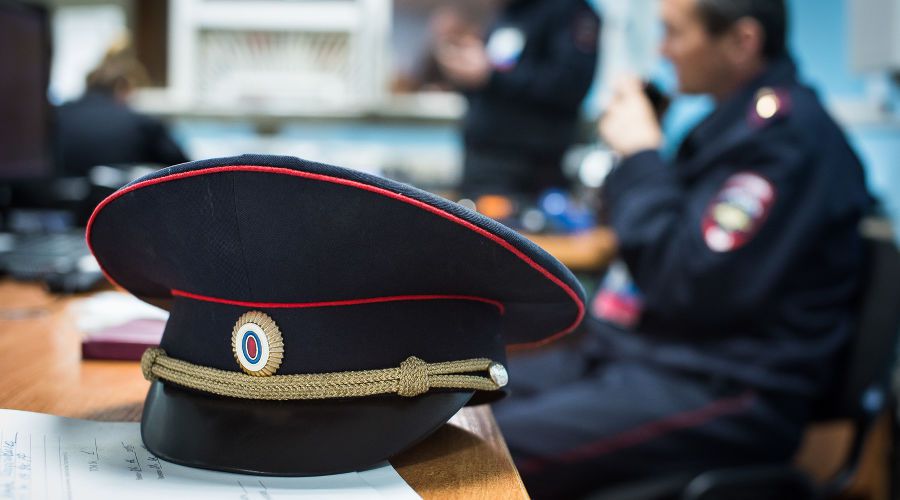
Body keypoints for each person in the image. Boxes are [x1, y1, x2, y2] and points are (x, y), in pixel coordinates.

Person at [492, 0, 873, 497]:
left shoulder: (789, 143)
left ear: (742, 42)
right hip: (647, 355)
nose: (663, 50)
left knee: (483, 450)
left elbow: (688, 280)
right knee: (452, 405)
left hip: (725, 384)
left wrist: (641, 155)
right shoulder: (731, 129)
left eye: (674, 33)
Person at [434, 0, 600, 198]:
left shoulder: (568, 10)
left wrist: (491, 75)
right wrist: (466, 72)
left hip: (529, 169)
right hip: (483, 162)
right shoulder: (509, 13)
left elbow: (568, 85)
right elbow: (493, 83)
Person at [56, 38, 188, 176]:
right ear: (121, 88)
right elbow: (185, 169)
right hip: (119, 190)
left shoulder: (57, 117)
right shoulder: (141, 125)